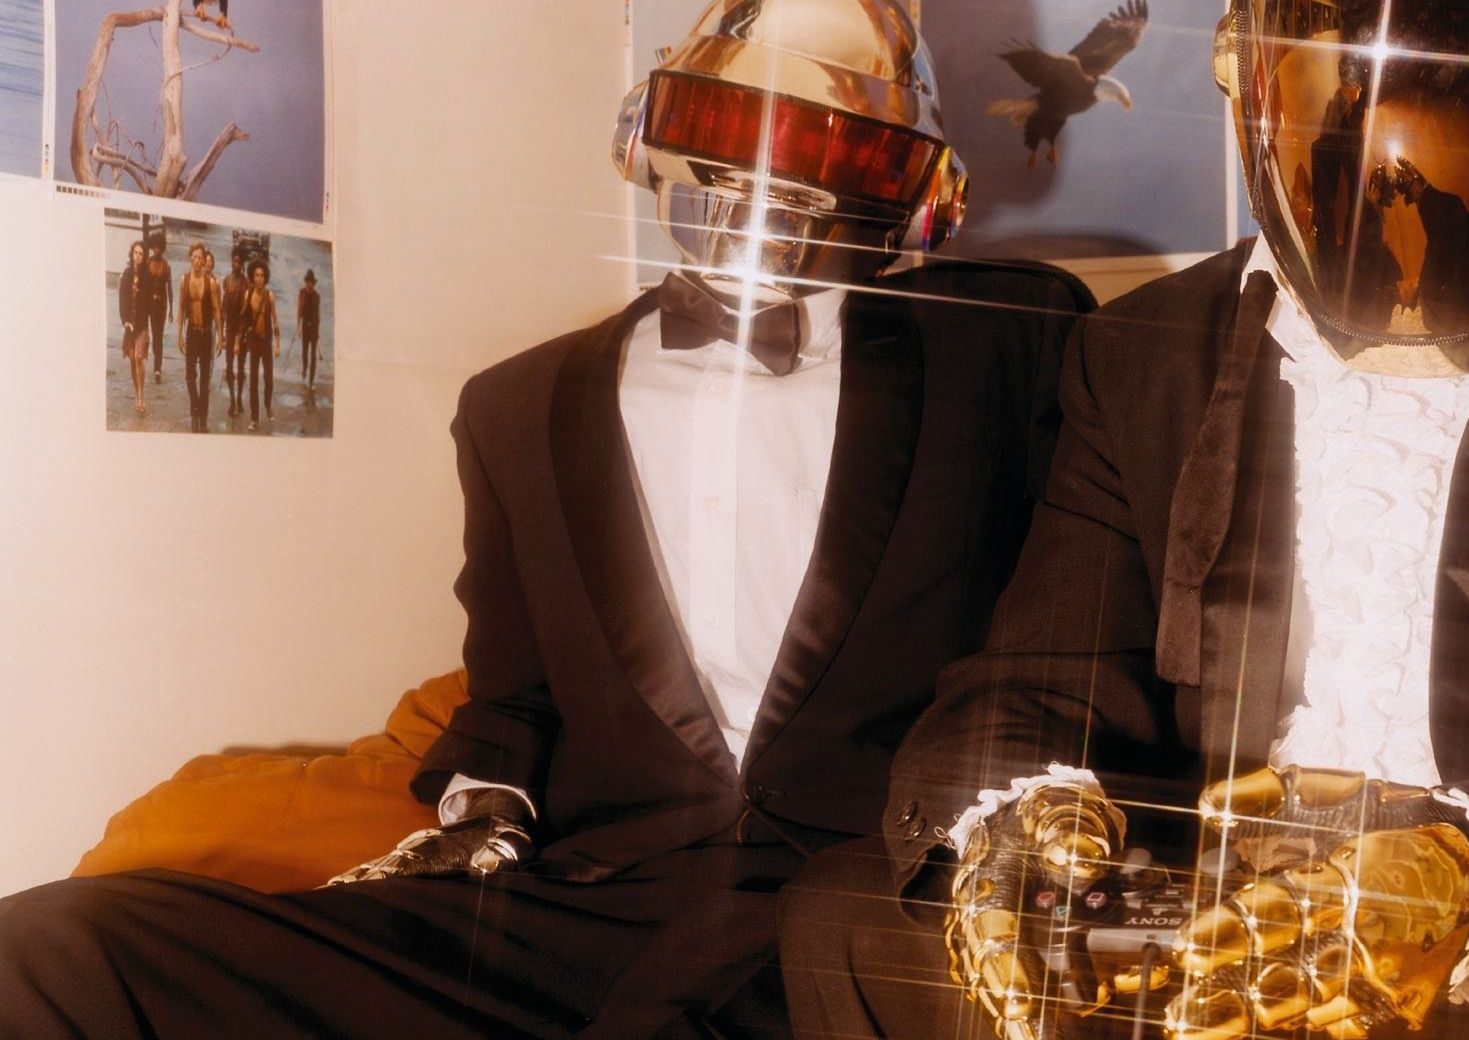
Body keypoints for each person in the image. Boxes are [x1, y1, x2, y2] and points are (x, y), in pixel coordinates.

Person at [779, 0, 1469, 1036]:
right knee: (847, 916)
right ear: (1245, 74)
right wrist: (1024, 832)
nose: (1398, 160)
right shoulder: (1139, 350)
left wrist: (1461, 873)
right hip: (1219, 921)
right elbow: (1042, 670)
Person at [0, 1, 1089, 1036]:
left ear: (914, 190)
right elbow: (513, 694)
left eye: (830, 148)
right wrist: (483, 807)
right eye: (726, 129)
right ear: (649, 134)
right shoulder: (514, 406)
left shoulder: (1012, 347)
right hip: (590, 898)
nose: (763, 178)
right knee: (55, 947)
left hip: (865, 902)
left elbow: (1080, 636)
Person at [178, 244, 223, 433]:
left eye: (200, 258)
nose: (197, 261)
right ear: (190, 257)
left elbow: (216, 310)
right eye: (194, 257)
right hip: (192, 332)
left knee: (204, 380)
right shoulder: (185, 280)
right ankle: (195, 411)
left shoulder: (210, 283)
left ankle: (202, 420)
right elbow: (181, 308)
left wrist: (220, 336)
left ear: (204, 261)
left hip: (205, 334)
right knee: (190, 377)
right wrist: (179, 335)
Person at [237, 259, 279, 431]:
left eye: (262, 275)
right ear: (252, 277)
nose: (259, 279)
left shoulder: (270, 296)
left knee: (268, 380)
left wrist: (277, 344)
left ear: (265, 277)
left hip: (266, 342)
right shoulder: (248, 295)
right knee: (253, 380)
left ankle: (267, 404)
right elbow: (243, 320)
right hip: (254, 341)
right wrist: (238, 341)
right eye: (256, 275)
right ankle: (254, 418)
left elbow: (275, 322)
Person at [116, 239, 151, 417]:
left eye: (141, 254)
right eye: (135, 253)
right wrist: (125, 321)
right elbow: (122, 300)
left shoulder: (147, 277)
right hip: (129, 324)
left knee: (139, 358)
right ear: (132, 254)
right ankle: (137, 392)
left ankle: (141, 396)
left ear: (144, 257)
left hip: (142, 324)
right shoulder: (126, 274)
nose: (137, 256)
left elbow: (149, 303)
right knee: (131, 359)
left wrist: (146, 326)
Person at [220, 247, 250, 420]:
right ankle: (232, 400)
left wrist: (241, 336)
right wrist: (222, 334)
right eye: (234, 261)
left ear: (242, 264)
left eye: (239, 261)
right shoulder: (226, 281)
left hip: (242, 329)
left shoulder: (246, 284)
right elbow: (223, 308)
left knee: (240, 367)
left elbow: (247, 314)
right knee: (229, 366)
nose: (236, 264)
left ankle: (239, 398)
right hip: (230, 328)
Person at [143, 236, 172, 383]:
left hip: (161, 304)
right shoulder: (148, 263)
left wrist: (171, 309)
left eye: (159, 247)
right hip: (149, 303)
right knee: (149, 334)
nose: (157, 250)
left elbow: (169, 287)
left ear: (162, 248)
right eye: (154, 247)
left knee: (158, 336)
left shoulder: (166, 266)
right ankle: (150, 360)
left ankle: (157, 368)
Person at [297, 268, 322, 392]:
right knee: (304, 353)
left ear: (314, 283)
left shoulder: (317, 296)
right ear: (306, 282)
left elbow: (318, 314)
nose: (310, 284)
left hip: (313, 328)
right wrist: (298, 327)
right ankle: (304, 368)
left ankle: (311, 381)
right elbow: (299, 310)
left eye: (311, 282)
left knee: (313, 356)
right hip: (305, 327)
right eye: (308, 282)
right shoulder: (302, 293)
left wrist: (317, 331)